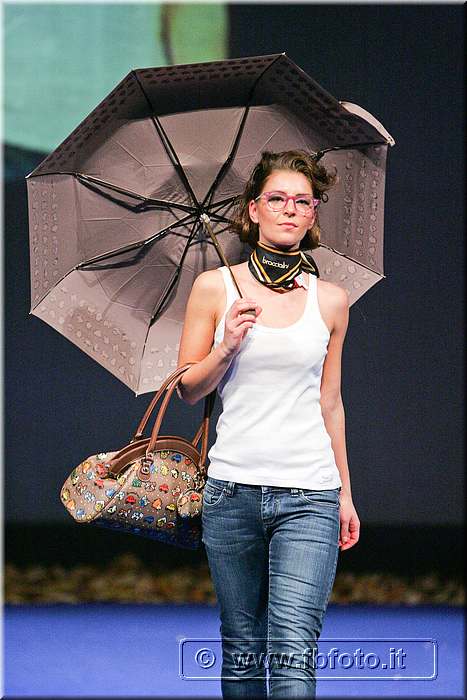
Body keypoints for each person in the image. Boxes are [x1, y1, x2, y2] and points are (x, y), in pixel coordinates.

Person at [177, 150, 360, 699]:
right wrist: (227, 345)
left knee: (293, 651)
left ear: (313, 214)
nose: (289, 209)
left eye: (302, 201)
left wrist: (345, 493)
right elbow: (187, 387)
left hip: (310, 493)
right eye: (276, 199)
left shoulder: (332, 301)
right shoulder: (215, 288)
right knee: (242, 650)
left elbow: (331, 402)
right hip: (232, 491)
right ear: (253, 210)